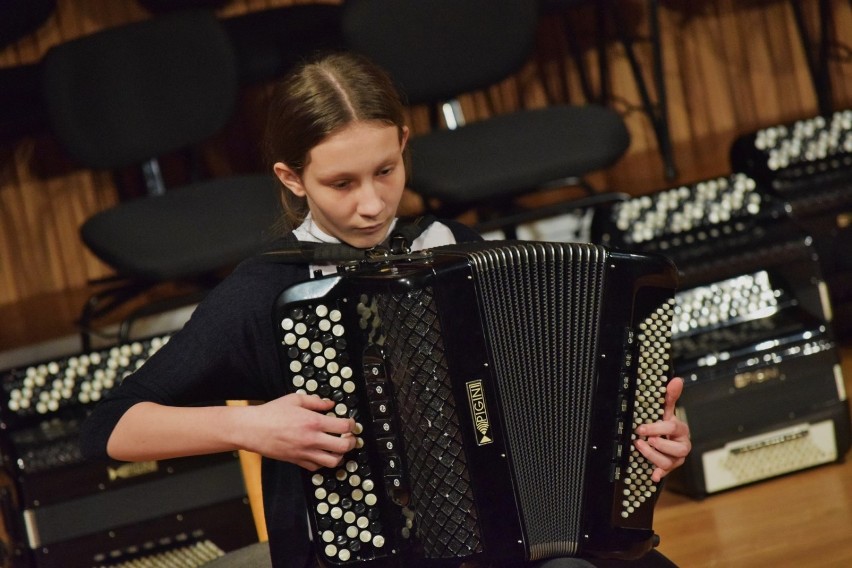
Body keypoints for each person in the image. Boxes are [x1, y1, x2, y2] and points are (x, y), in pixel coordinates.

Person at [80, 52, 691, 568]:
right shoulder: (265, 292)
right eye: (341, 184)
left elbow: (560, 409)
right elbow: (107, 428)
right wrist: (251, 427)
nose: (371, 204)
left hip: (516, 540)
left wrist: (646, 439)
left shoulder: (457, 252)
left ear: (403, 143)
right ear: (292, 179)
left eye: (385, 171)